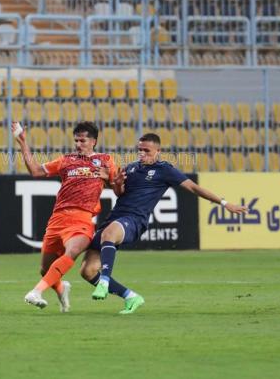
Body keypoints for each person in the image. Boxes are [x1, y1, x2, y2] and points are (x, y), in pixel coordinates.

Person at [80, 133, 248, 314]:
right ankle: (131, 297)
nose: (142, 153)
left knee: (109, 234)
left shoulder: (164, 170)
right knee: (87, 271)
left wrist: (224, 203)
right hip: (115, 217)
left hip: (135, 220)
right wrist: (114, 182)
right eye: (140, 150)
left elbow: (193, 187)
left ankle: (104, 281)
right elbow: (120, 193)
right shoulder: (130, 168)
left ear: (158, 151)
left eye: (147, 150)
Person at [13, 121, 117, 311]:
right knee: (46, 270)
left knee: (73, 251)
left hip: (82, 219)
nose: (78, 144)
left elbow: (119, 189)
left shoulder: (105, 160)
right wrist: (22, 143)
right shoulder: (65, 160)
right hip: (58, 218)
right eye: (76, 140)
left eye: (83, 140)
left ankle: (36, 292)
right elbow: (35, 171)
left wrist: (109, 179)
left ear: (93, 141)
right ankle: (62, 290)